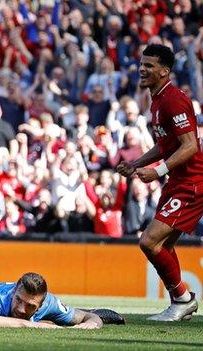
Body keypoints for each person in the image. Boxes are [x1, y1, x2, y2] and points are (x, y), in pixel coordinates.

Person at [117, 44, 200, 321]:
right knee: (162, 245)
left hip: (192, 182)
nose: (142, 69)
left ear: (165, 72)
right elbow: (166, 145)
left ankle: (182, 299)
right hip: (179, 179)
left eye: (149, 66)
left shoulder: (174, 100)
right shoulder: (157, 101)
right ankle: (181, 301)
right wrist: (137, 163)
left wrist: (158, 171)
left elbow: (190, 146)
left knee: (149, 241)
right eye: (142, 64)